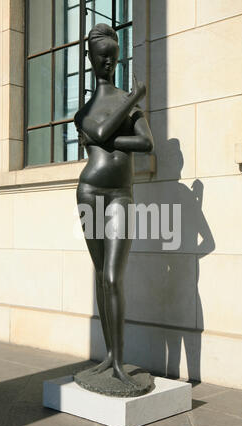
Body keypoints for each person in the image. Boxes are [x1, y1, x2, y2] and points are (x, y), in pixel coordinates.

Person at [74, 23, 154, 388]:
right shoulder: (86, 108)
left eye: (113, 58)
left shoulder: (125, 99)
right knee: (98, 274)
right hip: (90, 192)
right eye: (102, 57)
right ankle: (109, 357)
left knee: (112, 275)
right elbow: (101, 132)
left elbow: (146, 145)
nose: (108, 63)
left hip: (120, 195)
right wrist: (134, 98)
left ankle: (119, 363)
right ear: (90, 59)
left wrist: (127, 106)